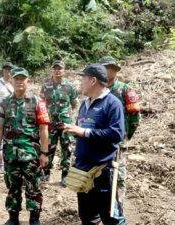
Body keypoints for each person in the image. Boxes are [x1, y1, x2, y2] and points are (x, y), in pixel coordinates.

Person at [64, 64, 126, 225]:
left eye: (82, 79)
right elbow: (83, 131)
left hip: (102, 172)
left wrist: (84, 132)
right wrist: (75, 131)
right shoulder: (84, 104)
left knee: (111, 218)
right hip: (83, 170)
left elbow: (116, 134)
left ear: (93, 81)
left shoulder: (112, 103)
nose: (80, 83)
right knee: (87, 217)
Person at [0, 67, 50, 225]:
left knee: (34, 187)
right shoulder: (4, 103)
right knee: (12, 187)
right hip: (11, 154)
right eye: (16, 78)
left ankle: (34, 218)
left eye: (22, 79)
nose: (19, 82)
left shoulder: (37, 102)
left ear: (28, 81)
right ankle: (13, 218)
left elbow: (44, 128)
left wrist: (45, 153)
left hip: (31, 154)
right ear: (11, 80)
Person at [99, 56, 140, 207]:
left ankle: (118, 208)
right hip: (99, 139)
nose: (106, 71)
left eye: (110, 68)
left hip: (117, 141)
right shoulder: (97, 89)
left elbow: (135, 115)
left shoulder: (124, 89)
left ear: (115, 71)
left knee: (118, 174)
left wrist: (126, 135)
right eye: (104, 68)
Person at [39, 60, 78, 187]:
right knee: (49, 148)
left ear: (64, 70)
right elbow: (41, 104)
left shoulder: (69, 86)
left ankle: (65, 176)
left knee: (67, 149)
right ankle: (45, 174)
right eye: (55, 68)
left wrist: (66, 114)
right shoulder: (46, 86)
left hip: (65, 123)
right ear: (52, 70)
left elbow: (74, 104)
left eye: (60, 68)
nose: (57, 71)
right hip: (50, 123)